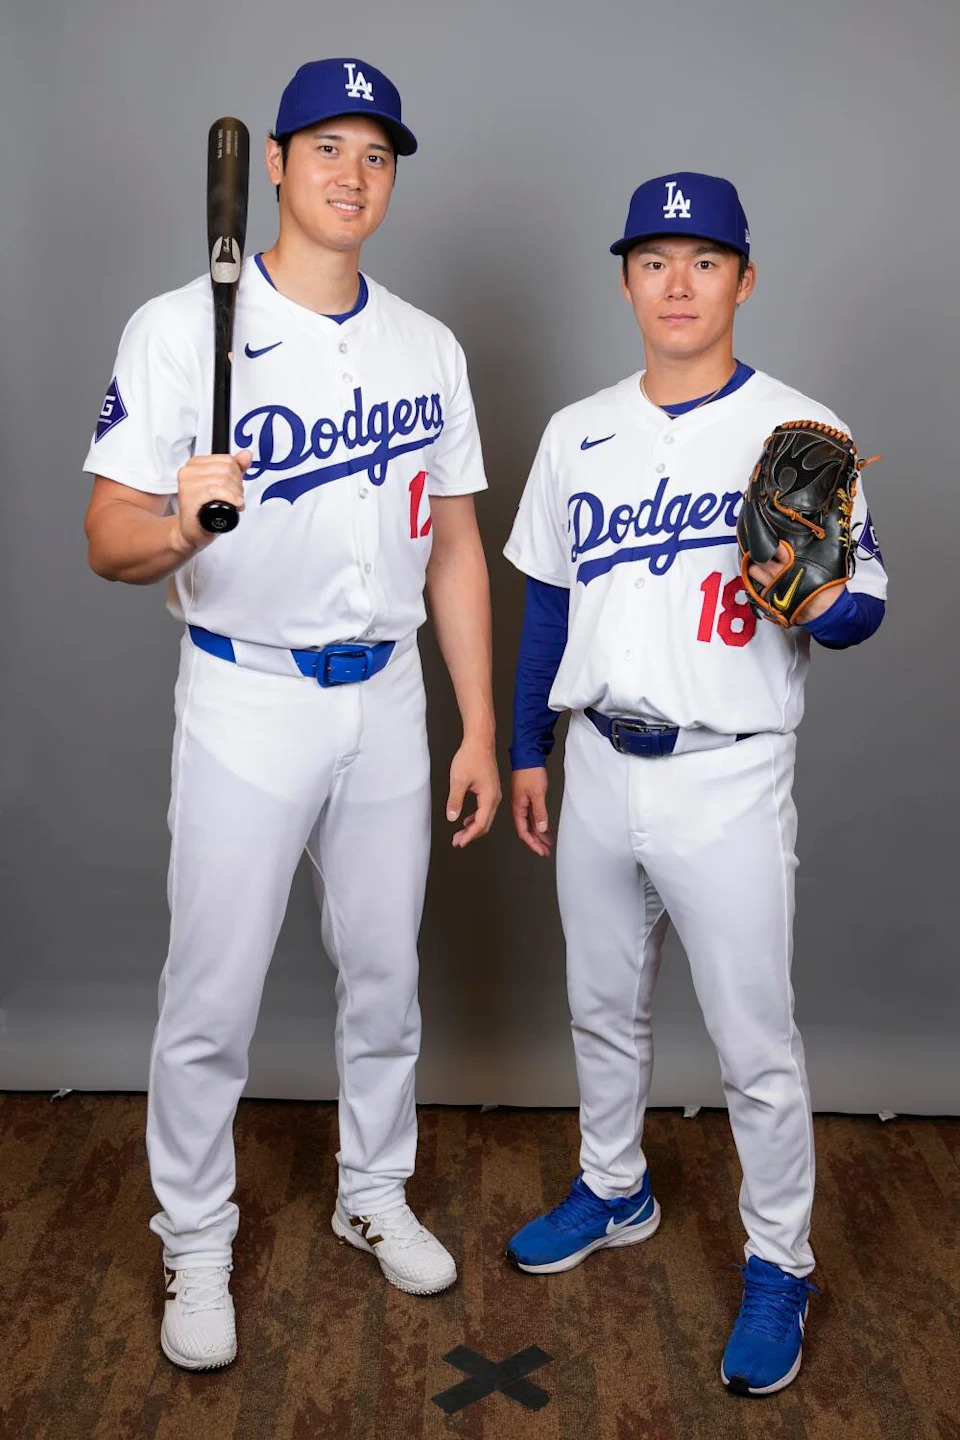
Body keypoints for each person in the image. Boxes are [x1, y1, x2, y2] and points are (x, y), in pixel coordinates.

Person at [83, 57, 500, 1371]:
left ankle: (371, 1191)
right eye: (326, 147)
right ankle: (196, 1240)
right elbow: (104, 537)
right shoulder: (174, 329)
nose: (352, 174)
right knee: (210, 999)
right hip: (245, 691)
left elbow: (455, 550)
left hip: (387, 694)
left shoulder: (428, 345)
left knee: (385, 978)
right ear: (271, 164)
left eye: (376, 154)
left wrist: (479, 728)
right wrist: (176, 522)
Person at [502, 172, 887, 1397]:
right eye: (656, 260)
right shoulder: (576, 431)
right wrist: (526, 747)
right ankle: (615, 1187)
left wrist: (817, 598)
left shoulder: (802, 429)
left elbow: (865, 610)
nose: (679, 283)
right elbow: (548, 604)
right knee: (599, 1006)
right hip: (598, 761)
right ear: (626, 280)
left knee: (754, 1042)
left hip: (729, 773)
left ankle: (781, 1263)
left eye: (705, 261)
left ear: (744, 280)